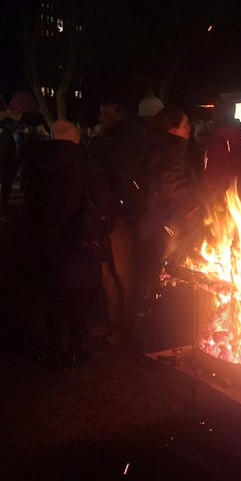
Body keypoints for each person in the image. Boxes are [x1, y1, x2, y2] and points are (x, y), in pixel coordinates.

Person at [26, 120, 112, 368]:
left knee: (54, 303)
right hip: (82, 248)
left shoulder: (37, 166)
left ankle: (55, 351)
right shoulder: (89, 167)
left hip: (49, 249)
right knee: (80, 303)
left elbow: (30, 208)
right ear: (76, 139)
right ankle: (77, 349)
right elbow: (106, 209)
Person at [133, 106, 203, 351]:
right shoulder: (173, 150)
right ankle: (156, 341)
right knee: (161, 281)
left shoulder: (162, 147)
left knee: (153, 280)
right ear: (173, 129)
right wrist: (194, 203)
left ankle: (149, 337)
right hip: (166, 227)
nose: (189, 129)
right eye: (185, 125)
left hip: (158, 224)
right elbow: (172, 184)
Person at [89, 98, 149, 344]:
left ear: (119, 113)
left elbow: (122, 178)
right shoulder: (112, 139)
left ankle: (125, 327)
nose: (101, 115)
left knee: (123, 272)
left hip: (120, 214)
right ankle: (113, 321)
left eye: (106, 110)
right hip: (108, 212)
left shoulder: (124, 141)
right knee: (107, 269)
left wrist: (118, 208)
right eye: (101, 110)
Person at [0, 119, 18, 217]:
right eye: (13, 124)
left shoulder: (3, 136)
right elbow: (8, 152)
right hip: (7, 166)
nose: (15, 126)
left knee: (5, 189)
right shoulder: (7, 137)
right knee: (6, 189)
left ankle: (3, 208)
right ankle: (3, 209)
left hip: (4, 166)